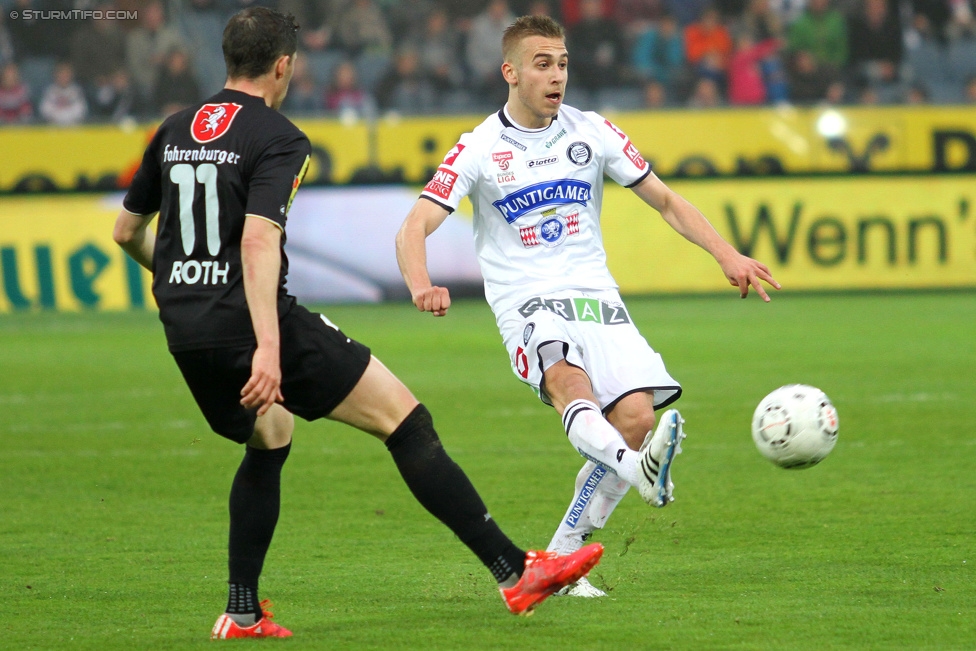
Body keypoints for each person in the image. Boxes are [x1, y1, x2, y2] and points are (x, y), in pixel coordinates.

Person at [112, 7, 603, 640]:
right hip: (258, 325)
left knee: (270, 437)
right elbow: (260, 241)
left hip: (186, 327)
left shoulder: (173, 128)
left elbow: (127, 231)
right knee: (405, 420)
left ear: (228, 59)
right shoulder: (279, 136)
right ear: (283, 65)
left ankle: (240, 611)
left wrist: (177, 283)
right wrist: (267, 347)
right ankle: (515, 572)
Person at [396, 14, 779, 598]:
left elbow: (667, 202)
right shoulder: (479, 148)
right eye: (543, 64)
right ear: (511, 72)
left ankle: (561, 557)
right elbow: (414, 227)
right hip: (527, 300)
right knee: (571, 387)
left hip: (596, 296)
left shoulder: (593, 132)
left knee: (635, 421)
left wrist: (727, 255)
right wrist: (421, 283)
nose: (557, 76)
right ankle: (639, 473)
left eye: (564, 63)